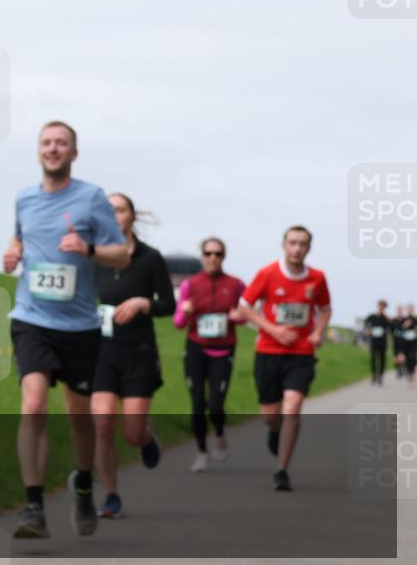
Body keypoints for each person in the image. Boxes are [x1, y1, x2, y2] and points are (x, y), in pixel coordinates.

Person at [3, 121, 128, 539]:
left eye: (61, 143)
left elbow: (121, 255)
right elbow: (21, 239)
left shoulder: (91, 198)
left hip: (79, 325)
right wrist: (14, 251)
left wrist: (89, 249)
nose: (53, 149)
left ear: (74, 153)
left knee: (79, 415)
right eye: (46, 142)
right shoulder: (24, 198)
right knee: (34, 404)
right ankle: (33, 506)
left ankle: (85, 485)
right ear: (38, 151)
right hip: (31, 318)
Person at [91, 193, 175, 518]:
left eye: (120, 210)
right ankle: (111, 495)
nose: (114, 216)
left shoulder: (150, 258)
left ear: (131, 216)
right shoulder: (93, 257)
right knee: (102, 423)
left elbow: (168, 304)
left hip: (138, 353)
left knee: (131, 432)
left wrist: (144, 304)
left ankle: (146, 437)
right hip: (101, 352)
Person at [238, 226, 331, 492]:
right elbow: (244, 306)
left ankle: (282, 470)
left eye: (302, 244)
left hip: (301, 353)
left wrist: (317, 332)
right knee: (270, 414)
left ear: (309, 248)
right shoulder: (267, 274)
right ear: (283, 245)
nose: (297, 248)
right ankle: (274, 430)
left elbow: (324, 309)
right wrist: (272, 328)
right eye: (292, 243)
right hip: (268, 351)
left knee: (293, 405)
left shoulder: (317, 278)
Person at [173, 237, 246, 472]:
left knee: (215, 404)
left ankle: (220, 432)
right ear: (202, 256)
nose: (213, 258)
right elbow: (178, 323)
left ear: (224, 257)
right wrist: (185, 312)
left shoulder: (236, 284)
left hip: (223, 350)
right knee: (197, 404)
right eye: (208, 253)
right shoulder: (190, 285)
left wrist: (239, 316)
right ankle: (202, 452)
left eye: (218, 253)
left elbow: (246, 315)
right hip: (196, 348)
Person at [363, 300, 393, 386]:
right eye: (380, 306)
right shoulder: (372, 316)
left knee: (382, 359)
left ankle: (380, 376)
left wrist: (388, 319)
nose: (381, 308)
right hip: (373, 340)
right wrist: (367, 330)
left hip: (383, 341)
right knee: (373, 358)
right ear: (378, 306)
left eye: (383, 307)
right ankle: (374, 376)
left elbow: (391, 328)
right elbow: (365, 324)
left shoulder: (386, 318)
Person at [402, 304, 417, 387]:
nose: (410, 310)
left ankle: (412, 373)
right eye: (409, 309)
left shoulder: (415, 319)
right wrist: (405, 325)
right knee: (407, 357)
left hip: (414, 342)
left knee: (413, 357)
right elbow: (400, 329)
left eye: (411, 309)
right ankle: (408, 373)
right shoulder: (404, 319)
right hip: (406, 342)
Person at [393, 305, 408, 379]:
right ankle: (399, 369)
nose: (399, 311)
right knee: (396, 356)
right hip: (396, 340)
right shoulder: (394, 320)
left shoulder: (405, 320)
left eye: (400, 310)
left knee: (402, 355)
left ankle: (403, 368)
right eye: (398, 310)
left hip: (403, 340)